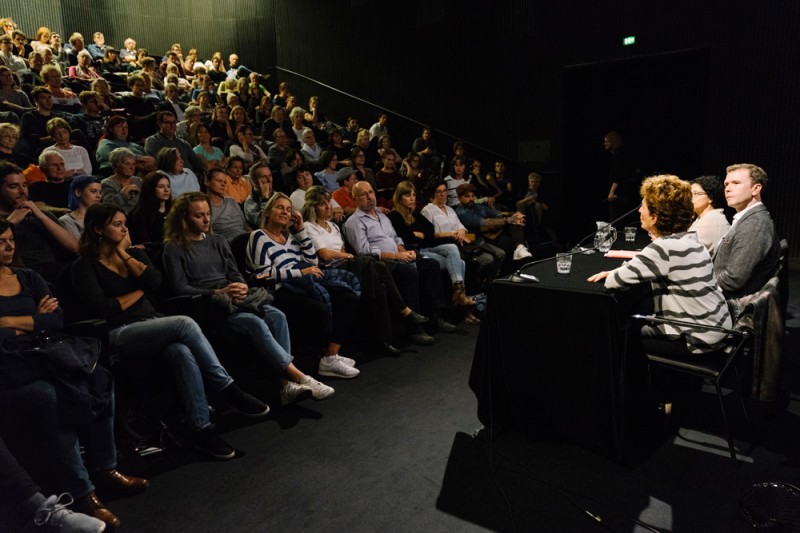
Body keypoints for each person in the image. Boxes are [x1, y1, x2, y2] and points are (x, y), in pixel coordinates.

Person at [72, 203, 270, 460]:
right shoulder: (84, 266)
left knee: (181, 351)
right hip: (119, 333)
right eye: (117, 224)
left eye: (124, 224)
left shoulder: (132, 255)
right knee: (184, 323)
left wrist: (123, 255)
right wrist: (140, 291)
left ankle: (201, 430)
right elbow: (103, 307)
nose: (124, 229)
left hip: (153, 323)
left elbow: (155, 282)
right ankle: (226, 387)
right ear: (98, 229)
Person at [0, 219, 148, 530]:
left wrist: (11, 322)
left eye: (11, 240)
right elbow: (38, 321)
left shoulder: (28, 277)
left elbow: (55, 320)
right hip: (10, 367)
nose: (9, 247)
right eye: (1, 242)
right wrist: (34, 318)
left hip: (44, 353)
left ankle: (105, 468)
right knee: (51, 396)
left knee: (99, 376)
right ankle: (82, 492)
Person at [163, 192, 335, 403]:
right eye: (199, 216)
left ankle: (285, 384)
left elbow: (235, 272)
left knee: (277, 316)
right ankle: (298, 377)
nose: (207, 220)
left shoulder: (217, 240)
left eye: (208, 214)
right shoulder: (173, 247)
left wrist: (241, 286)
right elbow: (181, 289)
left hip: (236, 295)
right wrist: (219, 292)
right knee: (254, 322)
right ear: (183, 218)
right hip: (210, 304)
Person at [588, 175, 732, 356]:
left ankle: (631, 384)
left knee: (621, 330)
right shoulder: (691, 239)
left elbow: (614, 282)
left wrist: (613, 273)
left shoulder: (664, 247)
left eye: (643, 206)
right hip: (718, 330)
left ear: (655, 217)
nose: (639, 210)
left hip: (696, 339)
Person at [247, 192, 362, 378]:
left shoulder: (290, 237)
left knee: (347, 297)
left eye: (289, 209)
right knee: (318, 309)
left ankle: (330, 355)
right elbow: (263, 275)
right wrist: (300, 272)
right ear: (268, 212)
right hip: (280, 289)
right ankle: (316, 361)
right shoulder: (258, 236)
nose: (285, 212)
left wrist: (300, 230)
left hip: (303, 282)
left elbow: (312, 261)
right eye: (279, 207)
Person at [302, 186, 421, 352]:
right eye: (322, 204)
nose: (328, 207)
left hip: (346, 266)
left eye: (328, 202)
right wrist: (348, 256)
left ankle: (384, 339)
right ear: (313, 207)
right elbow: (325, 254)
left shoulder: (333, 226)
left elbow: (341, 250)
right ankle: (404, 311)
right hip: (330, 268)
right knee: (375, 267)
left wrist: (345, 256)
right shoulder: (309, 227)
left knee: (379, 283)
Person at [344, 181, 455, 338]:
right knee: (408, 271)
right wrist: (397, 256)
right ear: (354, 198)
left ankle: (436, 316)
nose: (369, 197)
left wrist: (405, 252)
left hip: (398, 255)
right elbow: (364, 252)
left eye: (371, 192)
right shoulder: (354, 222)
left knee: (431, 265)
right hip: (381, 262)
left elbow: (396, 238)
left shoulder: (382, 215)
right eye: (363, 194)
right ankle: (414, 328)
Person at [389, 181, 477, 319]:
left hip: (428, 247)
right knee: (460, 263)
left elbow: (430, 231)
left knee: (456, 254)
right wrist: (418, 235)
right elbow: (405, 237)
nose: (412, 198)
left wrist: (418, 234)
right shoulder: (395, 215)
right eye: (408, 195)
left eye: (413, 195)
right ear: (400, 197)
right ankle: (462, 304)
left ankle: (459, 296)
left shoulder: (416, 214)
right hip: (416, 252)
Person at [713, 163, 781, 298]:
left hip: (726, 303)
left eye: (736, 183)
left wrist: (697, 285)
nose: (727, 189)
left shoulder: (755, 224)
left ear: (756, 189)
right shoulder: (747, 218)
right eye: (726, 184)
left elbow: (734, 279)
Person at [0, 162, 78, 281]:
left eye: (25, 185)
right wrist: (11, 222)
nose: (22, 191)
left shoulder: (39, 214)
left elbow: (74, 247)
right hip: (24, 275)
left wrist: (41, 215)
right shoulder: (4, 220)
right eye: (14, 186)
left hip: (56, 268)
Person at [422, 180, 501, 285]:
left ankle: (490, 285)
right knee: (487, 258)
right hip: (443, 244)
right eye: (439, 191)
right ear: (433, 193)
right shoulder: (428, 210)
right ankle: (481, 284)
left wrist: (461, 231)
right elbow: (430, 234)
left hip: (461, 241)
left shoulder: (449, 209)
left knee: (496, 252)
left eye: (444, 191)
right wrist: (452, 234)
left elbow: (460, 226)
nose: (442, 194)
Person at [454, 182, 532, 263]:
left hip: (492, 232)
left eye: (472, 196)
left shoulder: (476, 205)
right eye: (467, 196)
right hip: (478, 237)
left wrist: (514, 214)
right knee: (516, 242)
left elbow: (496, 213)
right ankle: (519, 247)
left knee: (515, 220)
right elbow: (485, 222)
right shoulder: (462, 212)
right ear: (459, 198)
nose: (471, 199)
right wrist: (508, 220)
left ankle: (520, 247)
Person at [126, 171, 171, 245]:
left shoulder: (174, 210)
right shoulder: (139, 215)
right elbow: (143, 242)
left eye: (168, 186)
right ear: (150, 189)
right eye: (161, 187)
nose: (166, 190)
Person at [688, 175, 730, 255]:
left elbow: (685, 249)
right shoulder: (703, 218)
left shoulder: (712, 220)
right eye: (689, 194)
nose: (690, 198)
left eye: (696, 193)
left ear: (710, 198)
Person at [603, 130, 639, 221]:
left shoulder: (619, 156)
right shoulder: (617, 155)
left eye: (607, 141)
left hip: (618, 195)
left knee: (617, 221)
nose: (604, 144)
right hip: (619, 195)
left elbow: (618, 175)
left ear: (613, 142)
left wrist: (612, 192)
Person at [205, 168, 249, 241]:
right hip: (227, 242)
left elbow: (245, 225)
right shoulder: (203, 206)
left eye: (225, 182)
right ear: (207, 182)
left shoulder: (231, 201)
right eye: (219, 181)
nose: (223, 185)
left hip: (246, 237)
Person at [59, 174, 102, 239]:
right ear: (78, 192)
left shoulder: (103, 216)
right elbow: (78, 247)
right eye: (93, 191)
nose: (99, 196)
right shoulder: (67, 220)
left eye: (100, 192)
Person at [101, 147, 142, 214]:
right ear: (116, 166)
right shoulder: (107, 184)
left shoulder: (138, 181)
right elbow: (108, 207)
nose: (131, 168)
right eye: (127, 164)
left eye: (133, 164)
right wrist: (124, 193)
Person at [243, 162, 274, 228]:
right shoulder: (250, 203)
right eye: (264, 177)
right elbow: (264, 224)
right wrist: (265, 199)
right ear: (254, 181)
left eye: (270, 176)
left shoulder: (278, 195)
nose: (269, 180)